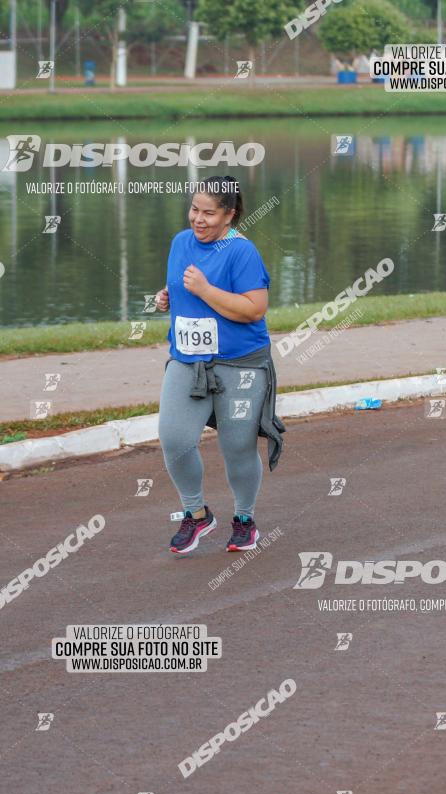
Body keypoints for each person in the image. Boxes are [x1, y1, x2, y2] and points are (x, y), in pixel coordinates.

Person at [154, 175, 284, 555]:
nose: (198, 218)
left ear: (229, 215)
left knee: (238, 446)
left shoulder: (242, 252)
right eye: (195, 209)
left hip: (240, 365)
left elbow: (254, 309)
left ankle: (244, 519)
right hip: (188, 362)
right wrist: (168, 297)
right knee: (175, 440)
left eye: (209, 213)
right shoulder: (180, 242)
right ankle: (196, 515)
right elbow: (184, 291)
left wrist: (205, 290)